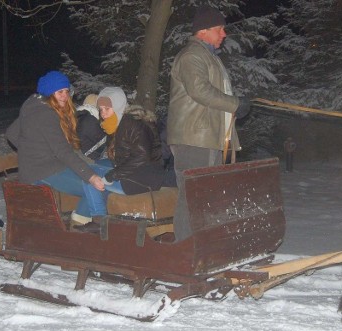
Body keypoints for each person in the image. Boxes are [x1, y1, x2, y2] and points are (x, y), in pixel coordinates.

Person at [167, 5, 252, 241]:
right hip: (194, 138)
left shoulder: (208, 57)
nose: (224, 34)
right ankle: (185, 250)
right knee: (192, 195)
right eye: (220, 29)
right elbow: (200, 91)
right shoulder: (192, 56)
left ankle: (202, 247)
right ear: (203, 31)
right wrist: (235, 104)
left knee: (205, 194)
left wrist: (237, 105)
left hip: (207, 137)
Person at [5, 71, 104, 221]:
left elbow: (11, 133)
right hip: (43, 172)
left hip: (40, 168)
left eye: (66, 91)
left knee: (96, 175)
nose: (65, 96)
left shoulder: (33, 105)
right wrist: (91, 176)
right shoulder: (47, 114)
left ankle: (82, 221)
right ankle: (93, 224)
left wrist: (32, 151)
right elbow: (63, 152)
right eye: (59, 92)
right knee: (93, 186)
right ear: (50, 93)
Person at [73, 87, 173, 233]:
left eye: (107, 108)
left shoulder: (132, 123)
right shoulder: (116, 124)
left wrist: (112, 175)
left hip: (144, 179)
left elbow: (141, 156)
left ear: (118, 106)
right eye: (100, 109)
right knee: (96, 172)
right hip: (136, 174)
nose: (103, 113)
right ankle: (101, 219)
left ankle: (98, 221)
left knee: (89, 174)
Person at [76, 94, 107, 161]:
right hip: (89, 157)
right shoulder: (89, 120)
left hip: (79, 153)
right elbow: (103, 140)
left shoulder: (77, 116)